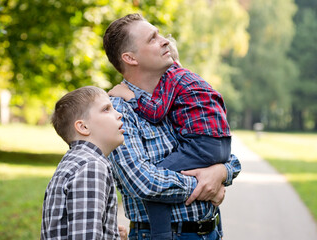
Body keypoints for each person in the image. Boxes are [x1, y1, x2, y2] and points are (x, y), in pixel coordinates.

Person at [103, 13, 241, 240]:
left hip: (210, 232)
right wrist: (209, 186)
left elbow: (215, 150)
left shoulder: (179, 95)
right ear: (130, 58)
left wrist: (222, 171)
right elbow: (143, 182)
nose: (165, 40)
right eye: (152, 39)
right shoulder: (119, 110)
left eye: (159, 35)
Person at [41, 86, 127, 239]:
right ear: (83, 127)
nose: (119, 114)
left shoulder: (74, 162)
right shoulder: (91, 167)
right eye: (106, 109)